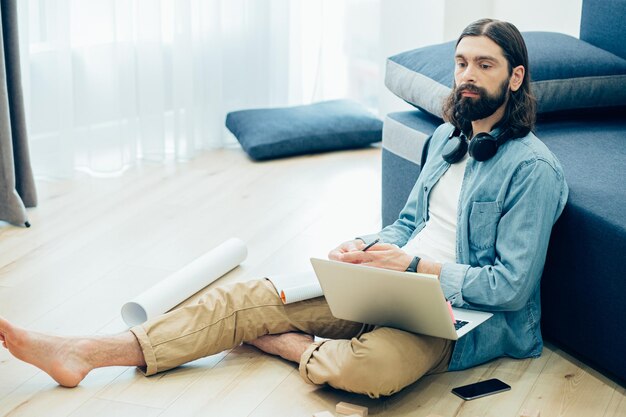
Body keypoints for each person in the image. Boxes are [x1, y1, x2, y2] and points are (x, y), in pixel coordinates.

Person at [0, 18, 568, 399]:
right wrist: (367, 248)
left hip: (454, 316)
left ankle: (273, 339)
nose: (467, 76)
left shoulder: (532, 169)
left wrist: (414, 270)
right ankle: (85, 352)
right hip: (391, 279)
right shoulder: (448, 138)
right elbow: (409, 224)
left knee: (364, 370)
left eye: (485, 65)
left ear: (515, 79)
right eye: (461, 63)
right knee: (250, 296)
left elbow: (512, 287)